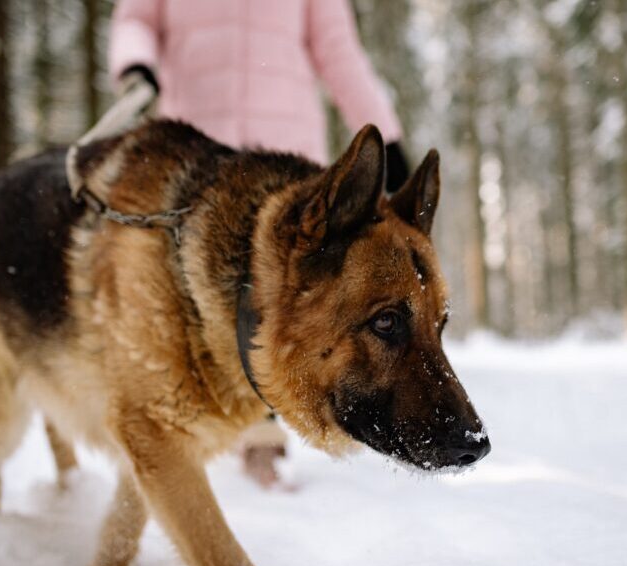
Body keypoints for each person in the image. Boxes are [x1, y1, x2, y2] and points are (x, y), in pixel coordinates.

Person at [108, 0, 411, 488]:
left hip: (285, 156)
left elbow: (337, 51)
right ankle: (184, 421)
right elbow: (136, 19)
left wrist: (385, 134)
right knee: (187, 298)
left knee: (282, 298)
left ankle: (262, 441)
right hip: (198, 152)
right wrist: (135, 64)